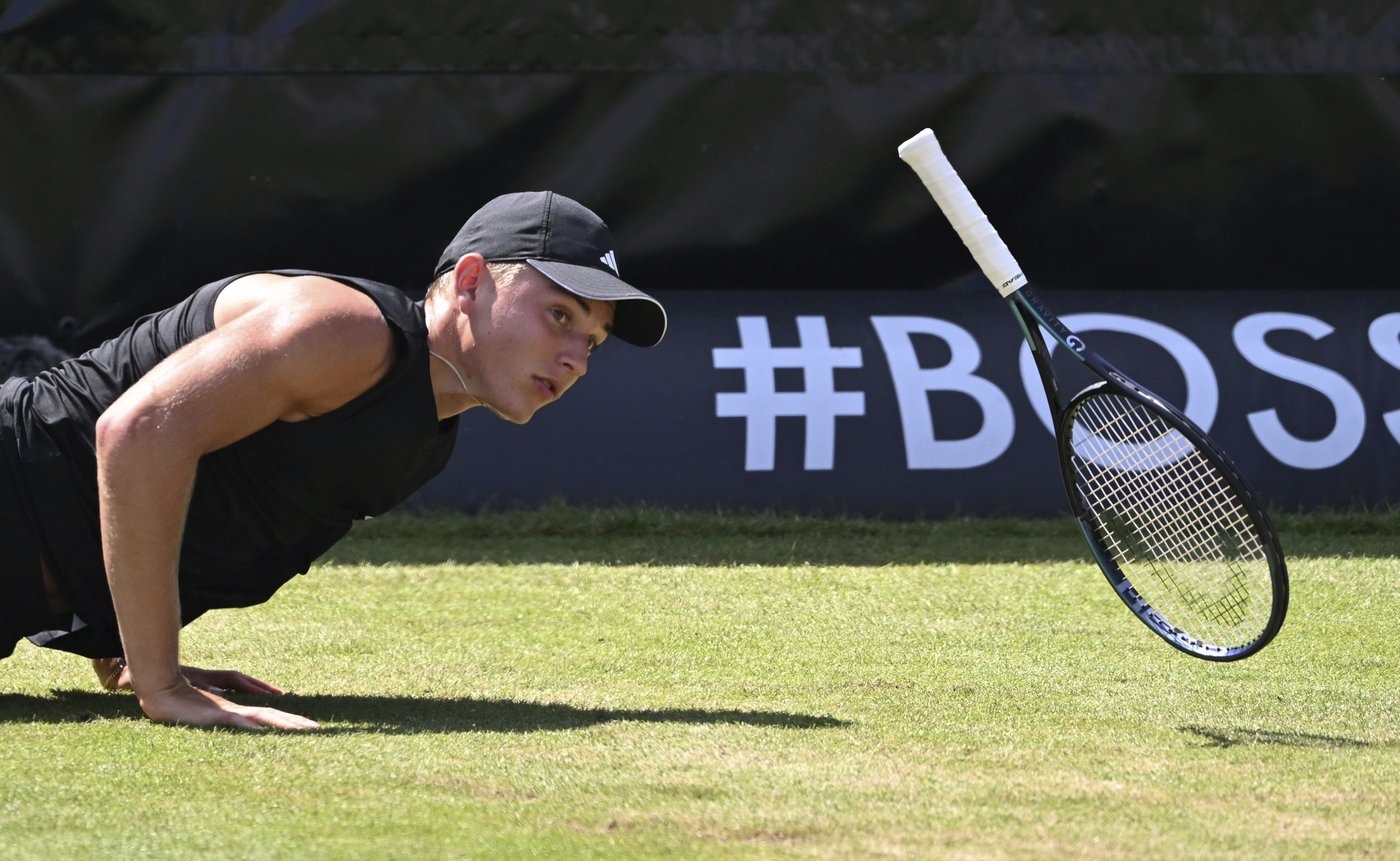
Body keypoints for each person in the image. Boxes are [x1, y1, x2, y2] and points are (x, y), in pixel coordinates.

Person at [0, 190, 667, 731]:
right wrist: (162, 681)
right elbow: (136, 431)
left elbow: (192, 498)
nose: (577, 360)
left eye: (594, 341)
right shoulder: (348, 331)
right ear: (470, 283)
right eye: (559, 315)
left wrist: (128, 648)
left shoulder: (427, 437)